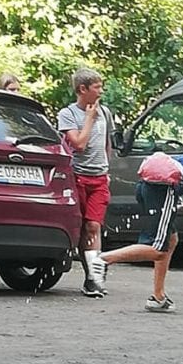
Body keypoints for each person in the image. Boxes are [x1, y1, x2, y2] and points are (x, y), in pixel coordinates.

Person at [90, 136, 183, 312]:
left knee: (171, 240)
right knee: (157, 248)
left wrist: (172, 209)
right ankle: (103, 259)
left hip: (144, 188)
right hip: (163, 191)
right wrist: (180, 208)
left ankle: (158, 297)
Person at [57, 67, 114, 298]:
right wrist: (89, 119)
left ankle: (94, 277)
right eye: (96, 87)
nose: (101, 91)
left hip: (99, 177)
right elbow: (78, 144)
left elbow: (106, 142)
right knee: (80, 226)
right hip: (77, 175)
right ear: (82, 89)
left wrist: (107, 168)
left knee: (94, 225)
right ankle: (86, 272)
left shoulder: (106, 112)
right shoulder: (68, 114)